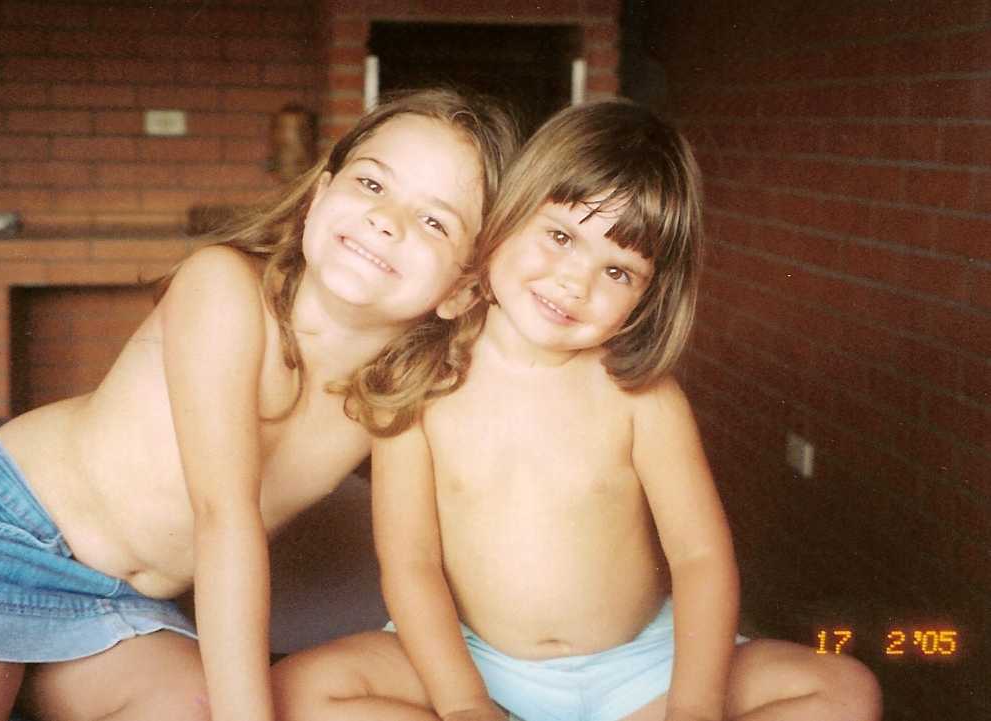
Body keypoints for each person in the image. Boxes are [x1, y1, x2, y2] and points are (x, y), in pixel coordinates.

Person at [0, 88, 519, 721]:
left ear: (463, 290)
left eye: (434, 221)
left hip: (120, 603)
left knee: (195, 704)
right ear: (318, 197)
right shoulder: (224, 286)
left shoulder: (397, 393)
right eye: (372, 183)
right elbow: (224, 519)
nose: (386, 220)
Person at [271, 99, 882, 721]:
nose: (575, 282)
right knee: (297, 690)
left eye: (618, 271)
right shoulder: (421, 381)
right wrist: (463, 704)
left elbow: (700, 559)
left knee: (844, 689)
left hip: (641, 668)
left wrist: (694, 707)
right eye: (561, 236)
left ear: (648, 298)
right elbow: (412, 565)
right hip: (471, 660)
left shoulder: (641, 397)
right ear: (507, 218)